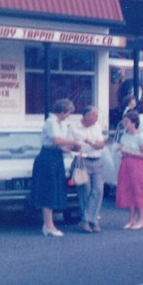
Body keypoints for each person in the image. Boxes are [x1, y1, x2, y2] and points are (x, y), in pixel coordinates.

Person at [31, 98, 81, 237]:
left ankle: (49, 225)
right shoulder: (51, 122)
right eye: (69, 112)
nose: (69, 115)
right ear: (63, 111)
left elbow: (61, 146)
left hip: (56, 156)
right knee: (49, 190)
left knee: (54, 190)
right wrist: (73, 141)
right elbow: (56, 140)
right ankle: (48, 226)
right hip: (47, 157)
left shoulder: (61, 123)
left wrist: (72, 149)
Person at [115, 110, 143, 229]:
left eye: (127, 122)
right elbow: (121, 150)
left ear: (134, 123)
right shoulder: (124, 136)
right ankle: (131, 219)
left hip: (137, 165)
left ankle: (141, 219)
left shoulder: (140, 137)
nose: (124, 124)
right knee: (128, 190)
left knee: (139, 190)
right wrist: (120, 151)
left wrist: (130, 152)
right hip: (125, 164)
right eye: (124, 122)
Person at [70, 105, 106, 232]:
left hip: (96, 159)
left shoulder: (97, 126)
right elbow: (70, 145)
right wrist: (76, 146)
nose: (97, 118)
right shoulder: (73, 127)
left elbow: (101, 144)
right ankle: (90, 221)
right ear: (86, 115)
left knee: (98, 190)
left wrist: (91, 142)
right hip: (82, 160)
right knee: (85, 191)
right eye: (94, 115)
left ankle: (88, 220)